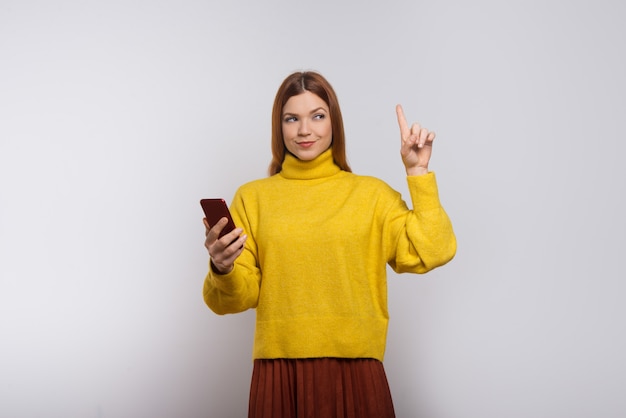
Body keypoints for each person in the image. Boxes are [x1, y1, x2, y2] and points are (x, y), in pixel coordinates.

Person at [202, 71, 456, 418]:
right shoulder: (252, 198)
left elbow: (434, 249)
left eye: (317, 116)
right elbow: (234, 299)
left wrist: (418, 174)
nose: (305, 130)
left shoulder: (371, 195)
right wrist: (223, 267)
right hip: (278, 373)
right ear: (279, 127)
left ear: (334, 122)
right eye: (292, 119)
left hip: (357, 371)